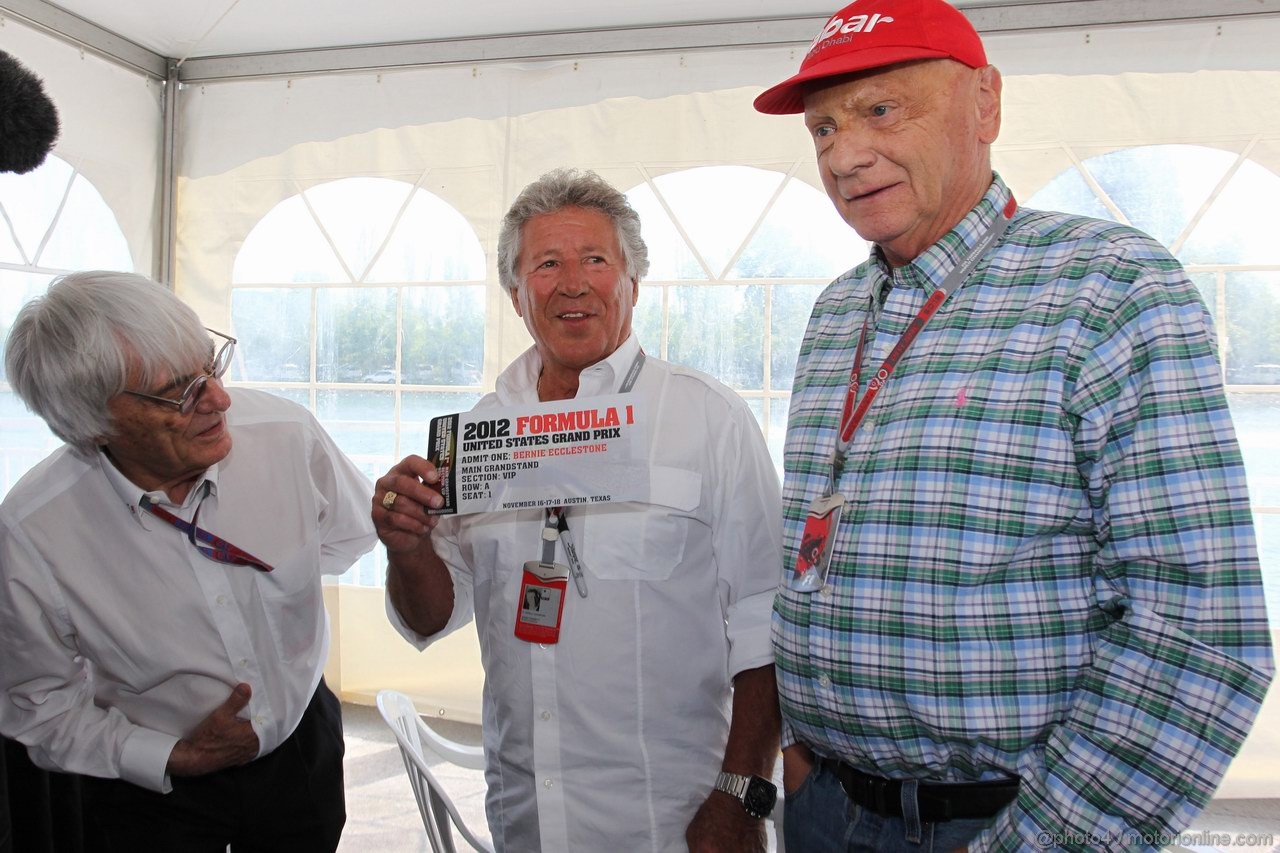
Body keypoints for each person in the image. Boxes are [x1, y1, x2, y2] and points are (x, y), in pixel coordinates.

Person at [753, 1, 1275, 850]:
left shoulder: (1109, 288)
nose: (845, 156)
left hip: (1007, 821)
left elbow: (1197, 632)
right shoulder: (836, 310)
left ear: (985, 104)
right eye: (822, 129)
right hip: (829, 808)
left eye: (882, 110)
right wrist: (804, 750)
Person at [376, 168, 783, 852]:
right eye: (546, 264)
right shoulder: (478, 435)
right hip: (526, 811)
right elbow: (432, 615)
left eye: (596, 259)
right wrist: (406, 543)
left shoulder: (705, 419)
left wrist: (741, 797)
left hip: (674, 815)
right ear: (514, 292)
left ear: (632, 280)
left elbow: (766, 617)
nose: (573, 283)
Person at [0, 271, 377, 851]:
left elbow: (346, 541)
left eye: (212, 366)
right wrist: (171, 755)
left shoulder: (285, 436)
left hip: (302, 747)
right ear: (93, 421)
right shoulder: (33, 531)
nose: (220, 399)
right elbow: (37, 705)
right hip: (152, 794)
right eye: (179, 390)